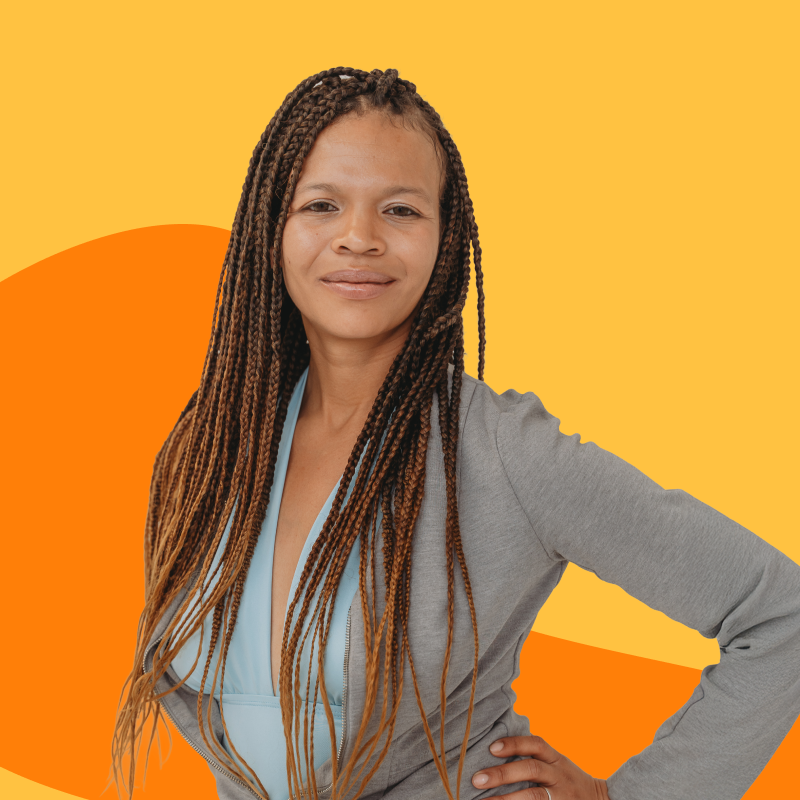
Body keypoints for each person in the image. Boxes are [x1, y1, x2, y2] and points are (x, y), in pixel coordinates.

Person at [110, 67, 800, 800]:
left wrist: (628, 798)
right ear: (269, 230)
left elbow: (779, 612)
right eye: (321, 204)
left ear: (447, 236)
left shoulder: (504, 453)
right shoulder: (214, 445)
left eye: (400, 210)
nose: (358, 238)